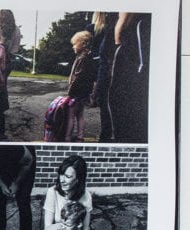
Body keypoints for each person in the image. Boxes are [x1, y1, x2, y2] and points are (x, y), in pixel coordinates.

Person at [107, 12, 152, 143]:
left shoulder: (140, 26)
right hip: (122, 105)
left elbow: (142, 69)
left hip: (132, 106)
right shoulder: (127, 34)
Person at [43, 154, 93, 230]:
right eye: (61, 174)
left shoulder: (86, 196)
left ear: (78, 179)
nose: (62, 180)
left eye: (68, 177)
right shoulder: (52, 192)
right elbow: (48, 226)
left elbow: (85, 228)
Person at [62, 31, 97, 142]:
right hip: (84, 92)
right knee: (80, 115)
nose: (73, 46)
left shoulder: (82, 59)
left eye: (75, 44)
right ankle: (80, 136)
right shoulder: (89, 58)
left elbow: (77, 78)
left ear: (83, 44)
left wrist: (70, 94)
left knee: (71, 115)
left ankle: (67, 137)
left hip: (76, 93)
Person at [89, 12, 119, 142]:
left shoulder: (97, 29)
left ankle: (106, 135)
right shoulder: (107, 29)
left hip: (103, 68)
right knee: (107, 105)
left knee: (104, 105)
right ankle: (107, 134)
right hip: (105, 67)